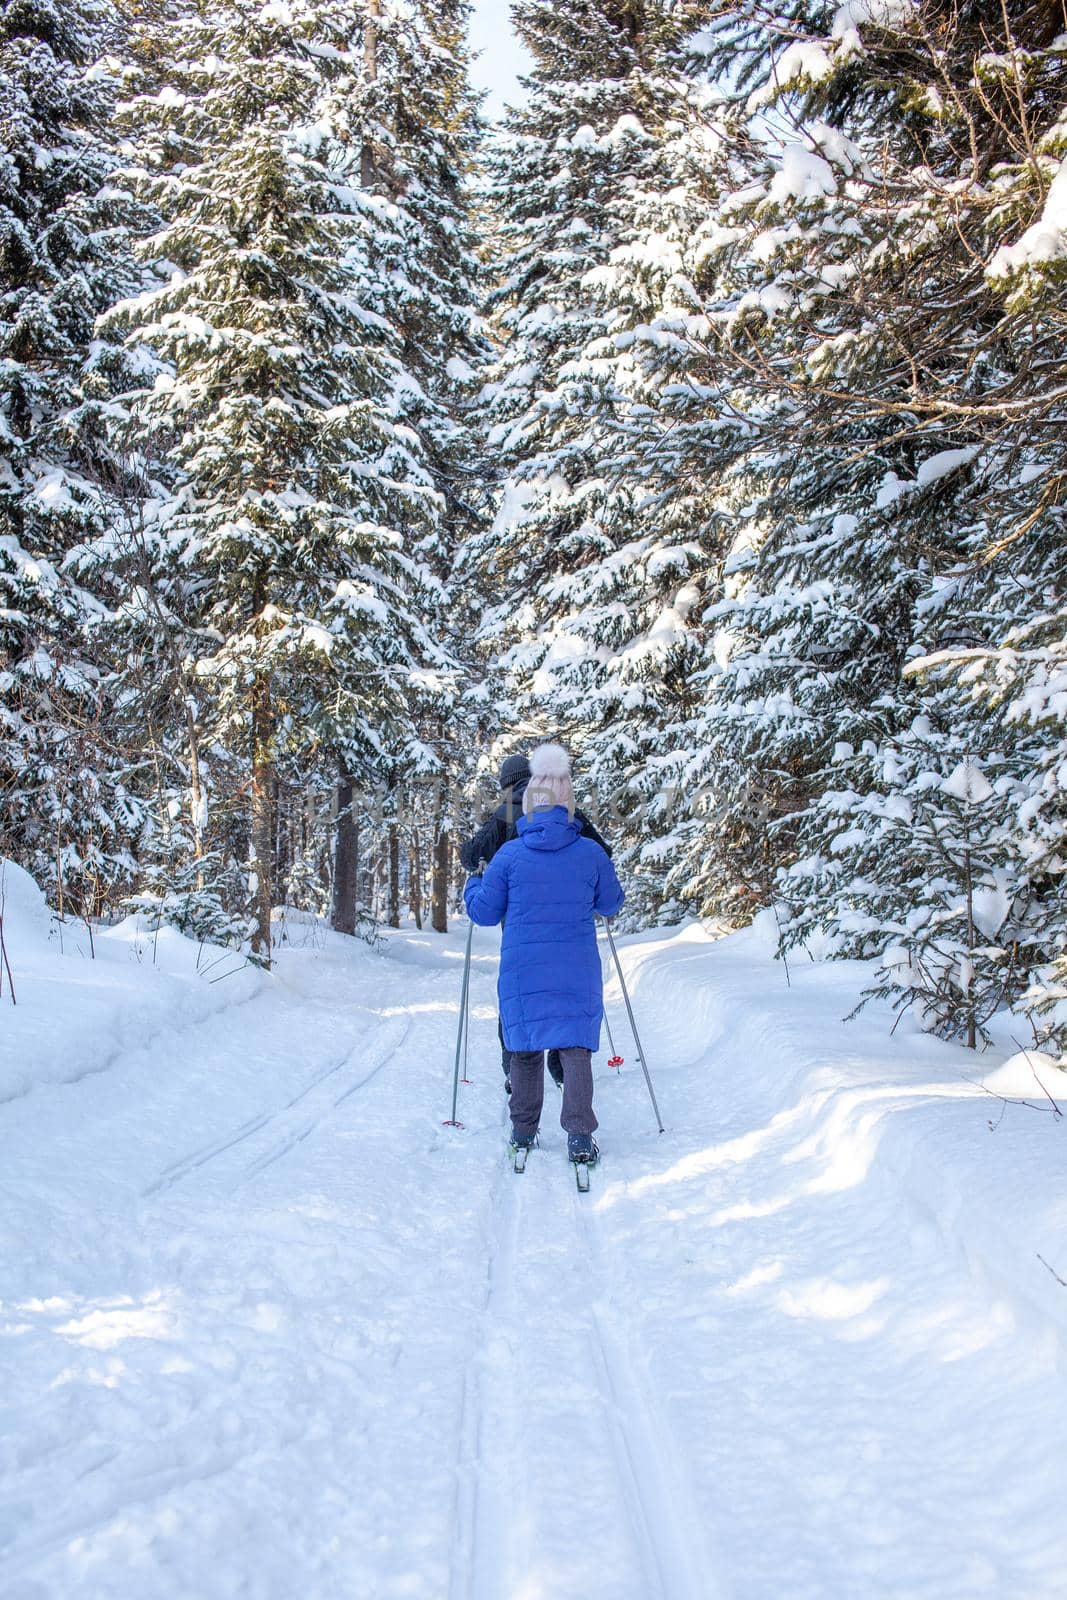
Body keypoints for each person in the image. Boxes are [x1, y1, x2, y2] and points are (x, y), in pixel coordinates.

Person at [463, 742, 624, 1165]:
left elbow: (483, 912)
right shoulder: (590, 852)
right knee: (575, 1048)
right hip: (576, 967)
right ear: (568, 802)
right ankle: (579, 1136)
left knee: (525, 1048)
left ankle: (522, 1132)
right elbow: (610, 904)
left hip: (524, 967)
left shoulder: (510, 855)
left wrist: (472, 884)